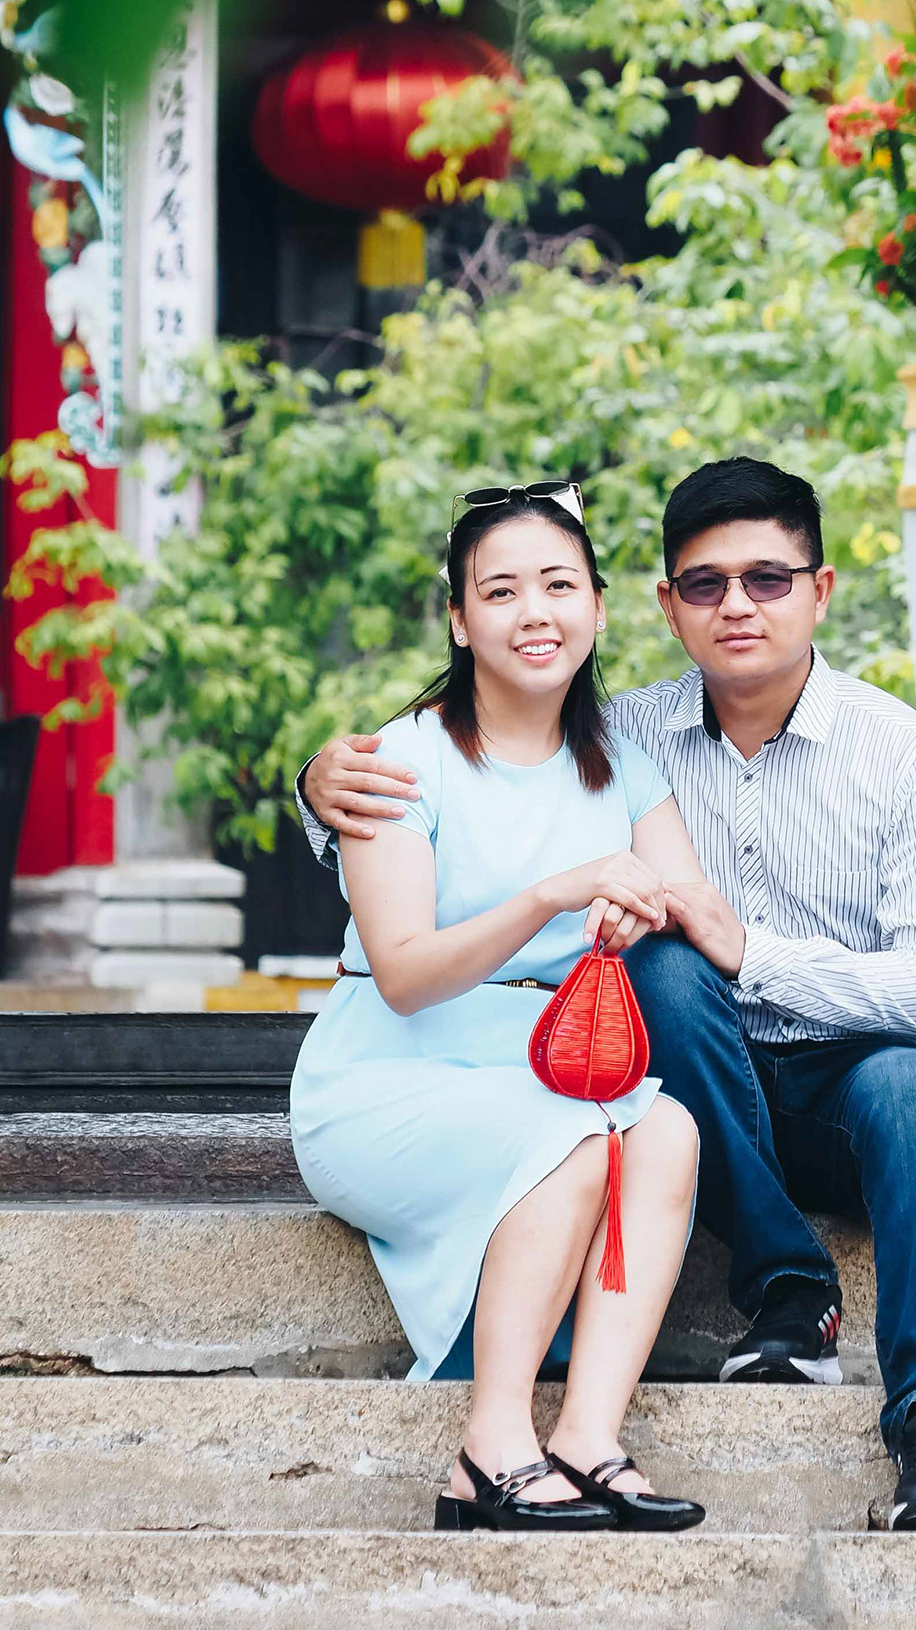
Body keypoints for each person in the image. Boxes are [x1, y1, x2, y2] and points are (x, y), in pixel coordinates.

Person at [301, 454, 916, 1536]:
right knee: (653, 1013)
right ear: (666, 607)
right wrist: (315, 792)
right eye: (707, 584)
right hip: (615, 1066)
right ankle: (753, 1305)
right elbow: (458, 800)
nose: (738, 606)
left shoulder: (892, 754)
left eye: (769, 579)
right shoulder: (614, 732)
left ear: (820, 591)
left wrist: (741, 947)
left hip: (819, 1079)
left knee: (876, 1088)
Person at [288, 483, 709, 1533]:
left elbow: (686, 901)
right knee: (576, 1136)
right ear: (459, 620)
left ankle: (589, 1436)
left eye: (560, 586)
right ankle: (489, 1448)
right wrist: (552, 896)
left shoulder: (624, 768)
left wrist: (637, 912)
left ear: (599, 608)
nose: (536, 613)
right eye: (502, 591)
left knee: (665, 1129)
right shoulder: (399, 764)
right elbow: (405, 974)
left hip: (536, 1074)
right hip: (387, 1080)